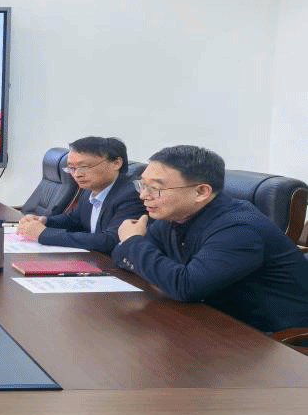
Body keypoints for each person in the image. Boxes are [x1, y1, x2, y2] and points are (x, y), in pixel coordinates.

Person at [113, 145, 308, 333]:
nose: (143, 196)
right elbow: (121, 254)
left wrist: (133, 241)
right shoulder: (176, 215)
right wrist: (134, 246)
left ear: (201, 192)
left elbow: (186, 286)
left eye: (156, 188)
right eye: (142, 185)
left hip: (273, 337)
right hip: (213, 319)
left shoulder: (239, 229)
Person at [16, 136, 146, 253]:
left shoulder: (133, 194)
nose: (77, 174)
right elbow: (75, 220)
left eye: (84, 167)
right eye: (71, 168)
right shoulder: (89, 189)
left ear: (116, 163)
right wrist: (45, 221)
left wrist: (44, 234)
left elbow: (110, 240)